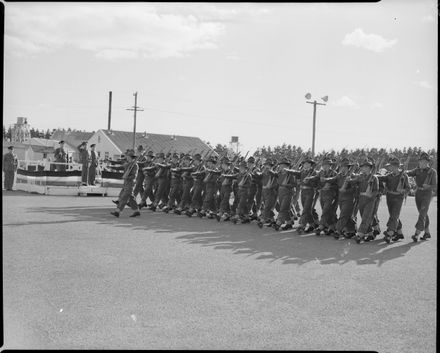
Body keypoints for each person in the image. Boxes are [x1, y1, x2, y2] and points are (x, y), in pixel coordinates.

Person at [406, 152, 437, 242]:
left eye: (424, 161)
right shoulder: (417, 170)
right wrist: (403, 171)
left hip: (427, 194)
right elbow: (409, 173)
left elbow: (435, 185)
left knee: (422, 213)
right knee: (423, 213)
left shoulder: (432, 172)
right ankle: (427, 232)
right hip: (418, 193)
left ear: (428, 162)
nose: (422, 163)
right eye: (421, 161)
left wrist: (429, 186)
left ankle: (417, 233)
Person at [377, 156, 410, 243]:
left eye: (391, 166)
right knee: (393, 215)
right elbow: (381, 178)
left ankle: (390, 234)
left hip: (398, 197)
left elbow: (408, 188)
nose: (389, 167)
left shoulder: (404, 176)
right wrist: (373, 175)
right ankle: (399, 233)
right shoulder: (389, 175)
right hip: (389, 197)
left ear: (396, 166)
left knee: (394, 215)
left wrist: (401, 190)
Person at [347, 158, 379, 243]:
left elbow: (376, 190)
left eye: (365, 167)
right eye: (363, 167)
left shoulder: (374, 178)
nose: (363, 168)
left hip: (370, 200)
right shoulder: (360, 177)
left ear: (369, 168)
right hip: (361, 199)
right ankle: (370, 233)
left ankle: (360, 234)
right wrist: (349, 180)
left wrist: (371, 195)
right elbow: (353, 181)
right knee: (363, 216)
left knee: (365, 217)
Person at [110, 150, 141, 218]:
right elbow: (121, 167)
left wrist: (127, 177)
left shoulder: (135, 165)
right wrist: (112, 167)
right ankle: (136, 211)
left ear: (130, 157)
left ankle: (117, 211)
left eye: (127, 156)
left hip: (130, 183)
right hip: (126, 183)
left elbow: (134, 176)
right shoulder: (128, 164)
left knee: (124, 197)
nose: (126, 157)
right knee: (131, 198)